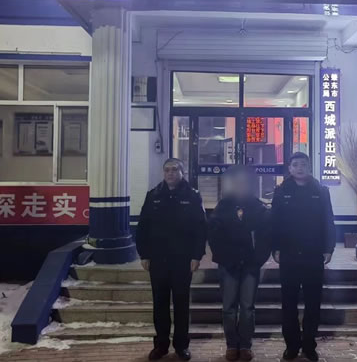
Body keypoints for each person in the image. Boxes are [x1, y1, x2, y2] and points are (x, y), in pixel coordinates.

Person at [136, 158, 207, 361]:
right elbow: (143, 227)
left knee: (181, 304)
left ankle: (181, 346)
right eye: (167, 170)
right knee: (160, 303)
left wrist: (196, 255)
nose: (170, 173)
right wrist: (144, 254)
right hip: (158, 259)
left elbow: (201, 228)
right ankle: (160, 345)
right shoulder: (153, 195)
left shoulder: (192, 196)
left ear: (182, 172)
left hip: (182, 260)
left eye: (175, 170)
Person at [271, 152, 336, 362]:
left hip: (313, 254)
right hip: (289, 254)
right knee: (288, 303)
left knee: (313, 303)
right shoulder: (281, 191)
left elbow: (328, 220)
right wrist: (275, 248)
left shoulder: (320, 191)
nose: (300, 168)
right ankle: (291, 346)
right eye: (296, 165)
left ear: (309, 167)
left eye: (304, 164)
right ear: (290, 168)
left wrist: (328, 248)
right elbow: (274, 222)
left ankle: (309, 345)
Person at [208, 166, 271, 362]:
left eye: (244, 182)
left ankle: (245, 345)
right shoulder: (223, 206)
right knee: (228, 307)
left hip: (250, 265)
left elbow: (265, 237)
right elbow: (214, 235)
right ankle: (231, 344)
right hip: (228, 264)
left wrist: (258, 259)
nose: (241, 186)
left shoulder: (258, 207)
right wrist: (223, 257)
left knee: (247, 307)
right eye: (237, 182)